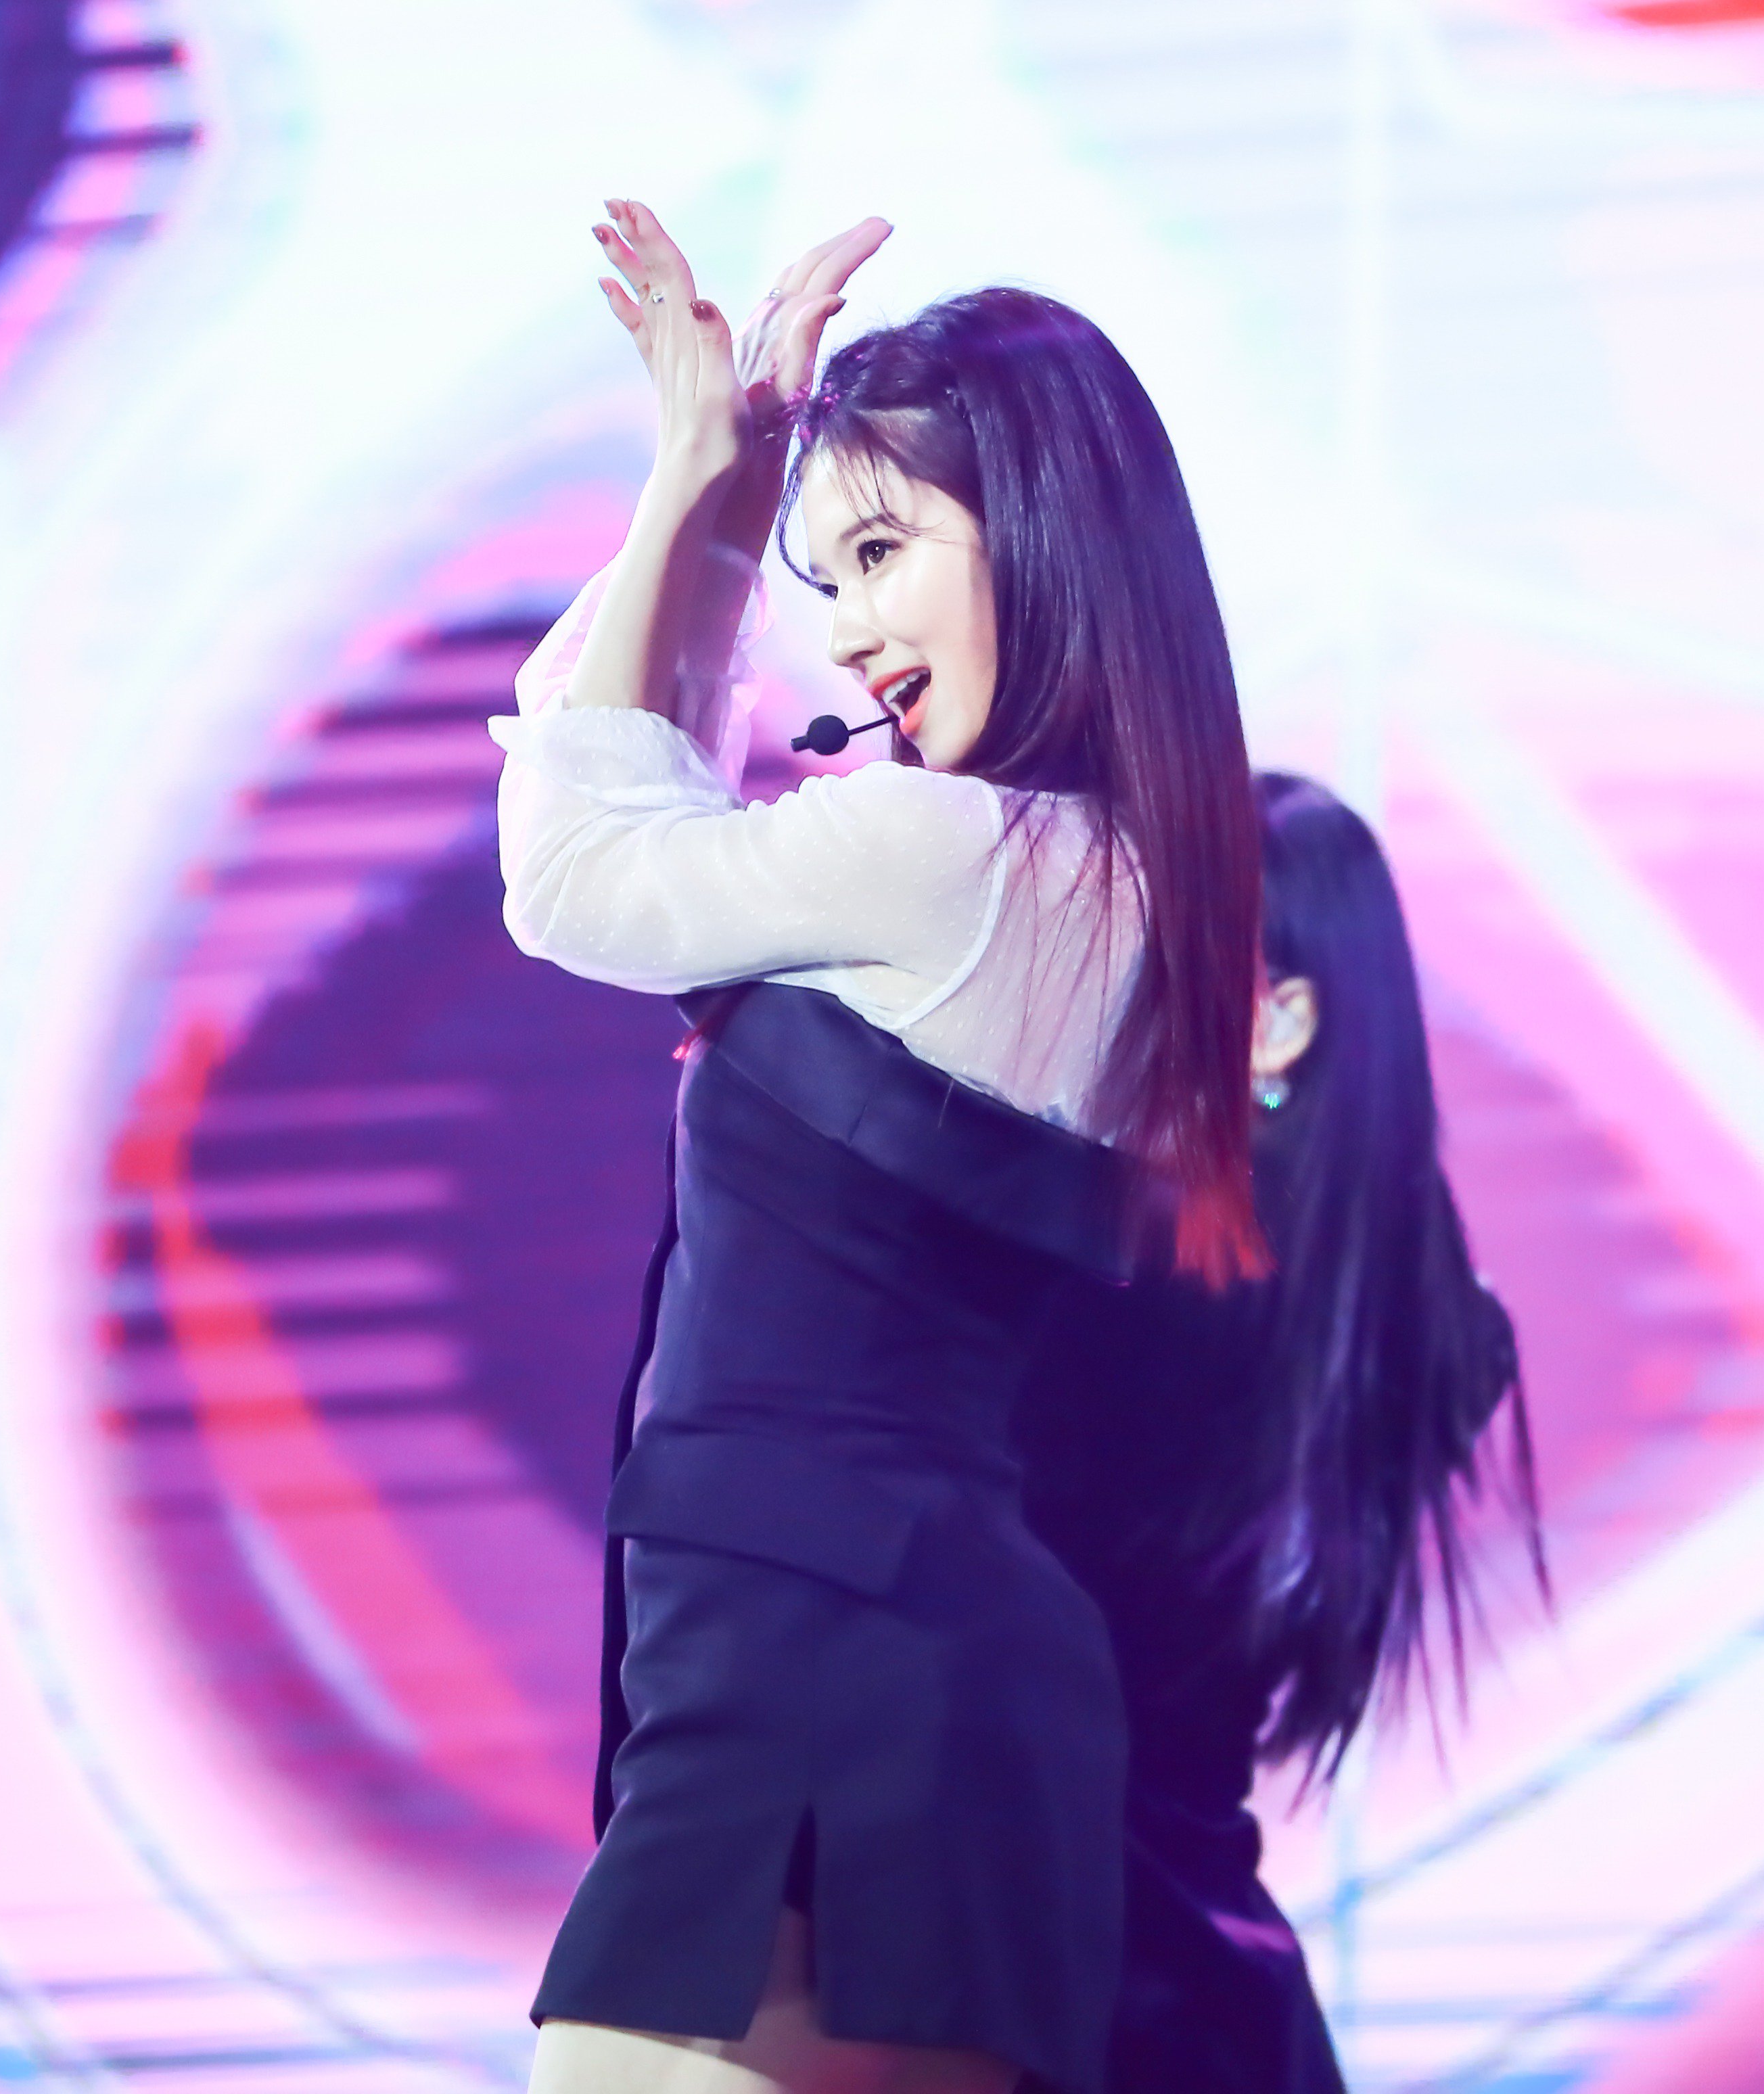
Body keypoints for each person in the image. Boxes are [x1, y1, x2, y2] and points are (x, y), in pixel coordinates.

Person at [493, 201, 1266, 2094]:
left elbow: (575, 866)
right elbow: (630, 810)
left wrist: (702, 485)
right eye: (820, 570)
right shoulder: (1098, 876)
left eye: (879, 552)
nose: (842, 627)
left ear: (1045, 534)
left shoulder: (943, 856)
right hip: (897, 1660)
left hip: (816, 1667)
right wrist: (724, 511)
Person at [1016, 770, 1541, 2093]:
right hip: (1189, 1976)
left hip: (1053, 1965)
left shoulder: (1117, 1277)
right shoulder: (1419, 1326)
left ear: (1282, 1021)